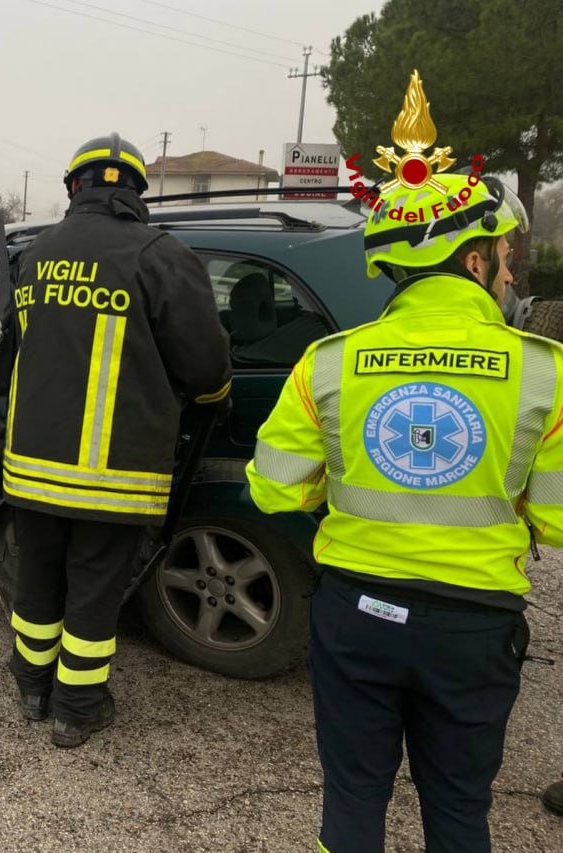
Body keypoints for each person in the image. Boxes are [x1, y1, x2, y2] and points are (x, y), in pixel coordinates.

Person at [246, 173, 551, 853]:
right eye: (504, 256)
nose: (508, 273)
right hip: (474, 626)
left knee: (353, 797)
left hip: (357, 616)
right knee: (461, 807)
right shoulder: (544, 372)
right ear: (473, 259)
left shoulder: (328, 363)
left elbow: (274, 489)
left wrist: (336, 487)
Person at [4, 132, 232, 748]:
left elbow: (16, 351)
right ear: (135, 190)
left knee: (38, 579)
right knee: (94, 592)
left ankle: (31, 686)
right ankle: (77, 709)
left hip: (30, 465)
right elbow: (205, 365)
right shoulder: (159, 254)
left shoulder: (35, 254)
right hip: (112, 472)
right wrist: (215, 399)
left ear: (73, 187)